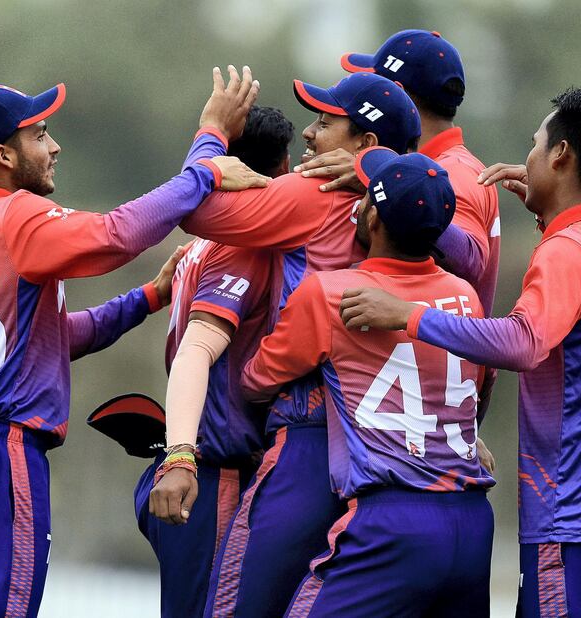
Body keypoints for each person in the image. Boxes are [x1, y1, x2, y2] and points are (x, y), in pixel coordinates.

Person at [0, 66, 264, 617]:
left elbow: (55, 337)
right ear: (4, 156)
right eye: (39, 134)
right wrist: (206, 166)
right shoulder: (18, 215)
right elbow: (115, 235)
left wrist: (148, 297)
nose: (53, 146)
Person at [339, 87, 581, 618]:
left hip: (569, 512)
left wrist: (407, 315)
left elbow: (525, 342)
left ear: (561, 155)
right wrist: (549, 209)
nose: (524, 158)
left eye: (534, 144)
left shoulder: (567, 250)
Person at [175, 72, 421, 617]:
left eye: (325, 122)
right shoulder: (431, 223)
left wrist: (212, 132)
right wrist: (377, 173)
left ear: (367, 144)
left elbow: (191, 209)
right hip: (403, 454)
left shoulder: (315, 192)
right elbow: (472, 263)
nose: (309, 135)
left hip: (309, 436)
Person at [241, 147, 494, 617]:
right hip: (473, 523)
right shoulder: (466, 296)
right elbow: (480, 389)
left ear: (371, 215)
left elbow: (255, 380)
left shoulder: (331, 291)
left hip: (391, 519)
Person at [296, 28, 501, 461]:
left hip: (422, 391)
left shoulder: (449, 173)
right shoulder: (433, 167)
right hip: (421, 388)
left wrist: (382, 172)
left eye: (378, 82)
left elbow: (470, 258)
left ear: (401, 95)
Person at [132, 106, 295, 618]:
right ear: (281, 172)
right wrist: (181, 459)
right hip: (210, 474)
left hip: (200, 470)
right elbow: (195, 351)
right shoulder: (244, 247)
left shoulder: (203, 242)